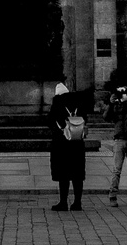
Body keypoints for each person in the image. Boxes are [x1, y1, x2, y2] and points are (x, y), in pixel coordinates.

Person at [48, 83, 87, 211]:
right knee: (77, 174)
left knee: (63, 174)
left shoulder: (57, 104)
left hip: (62, 145)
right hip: (77, 144)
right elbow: (85, 119)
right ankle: (77, 202)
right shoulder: (79, 103)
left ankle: (63, 202)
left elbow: (50, 122)